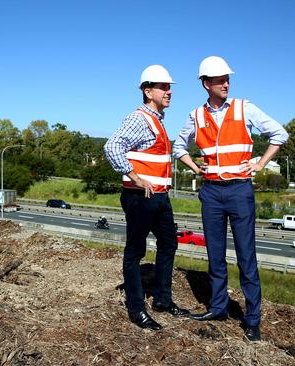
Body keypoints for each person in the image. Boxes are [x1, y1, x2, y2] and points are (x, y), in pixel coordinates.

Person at [172, 56, 289, 341]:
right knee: (215, 255)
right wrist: (195, 167)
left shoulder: (244, 108)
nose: (226, 83)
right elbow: (178, 146)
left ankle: (252, 319)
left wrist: (260, 163)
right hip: (211, 191)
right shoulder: (196, 116)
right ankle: (218, 307)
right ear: (206, 84)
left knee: (246, 257)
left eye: (227, 79)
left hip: (239, 190)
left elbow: (279, 133)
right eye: (220, 79)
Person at [104, 65, 190, 331]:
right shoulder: (139, 118)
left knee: (168, 244)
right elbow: (112, 146)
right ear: (147, 90)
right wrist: (136, 177)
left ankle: (162, 300)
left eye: (169, 87)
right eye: (163, 87)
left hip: (159, 197)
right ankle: (136, 309)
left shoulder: (157, 120)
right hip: (139, 196)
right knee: (135, 252)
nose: (169, 92)